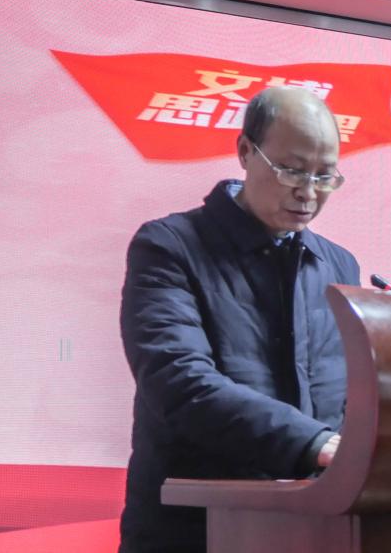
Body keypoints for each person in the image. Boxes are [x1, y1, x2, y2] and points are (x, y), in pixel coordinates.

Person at [118, 86, 360, 553]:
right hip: (195, 528)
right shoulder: (169, 247)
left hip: (306, 525)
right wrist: (314, 444)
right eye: (291, 170)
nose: (308, 192)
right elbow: (178, 382)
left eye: (324, 176)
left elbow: (348, 395)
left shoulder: (339, 265)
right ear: (246, 151)